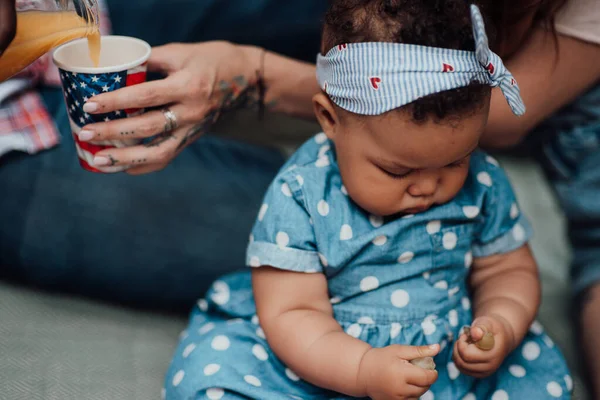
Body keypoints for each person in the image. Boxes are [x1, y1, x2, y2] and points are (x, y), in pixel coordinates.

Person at [163, 2, 571, 399]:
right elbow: (292, 314)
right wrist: (361, 369)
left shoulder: (482, 182)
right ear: (329, 119)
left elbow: (507, 270)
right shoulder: (304, 191)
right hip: (321, 358)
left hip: (444, 361)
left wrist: (502, 320)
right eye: (397, 171)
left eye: (455, 161)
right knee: (211, 377)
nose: (427, 187)